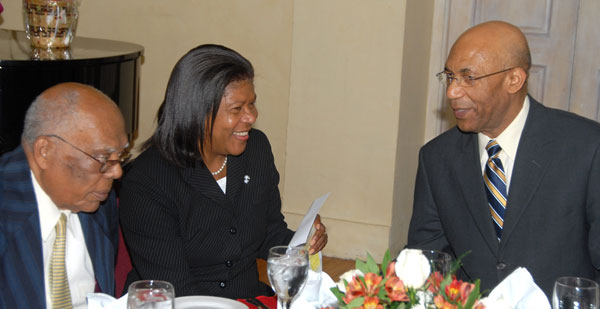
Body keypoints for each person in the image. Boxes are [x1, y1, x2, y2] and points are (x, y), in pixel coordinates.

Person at [407, 21, 600, 297]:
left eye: (468, 78)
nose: (452, 92)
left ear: (514, 80)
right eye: (450, 76)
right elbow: (426, 258)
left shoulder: (586, 148)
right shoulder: (437, 158)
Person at [119, 44, 328, 299]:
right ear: (198, 114)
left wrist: (301, 243)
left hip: (248, 298)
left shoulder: (256, 150)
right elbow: (175, 286)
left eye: (252, 104)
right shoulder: (148, 181)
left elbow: (267, 231)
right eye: (237, 109)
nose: (251, 116)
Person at [0, 82, 130, 308]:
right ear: (45, 151)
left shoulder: (96, 199)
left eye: (121, 156)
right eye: (102, 157)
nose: (117, 172)